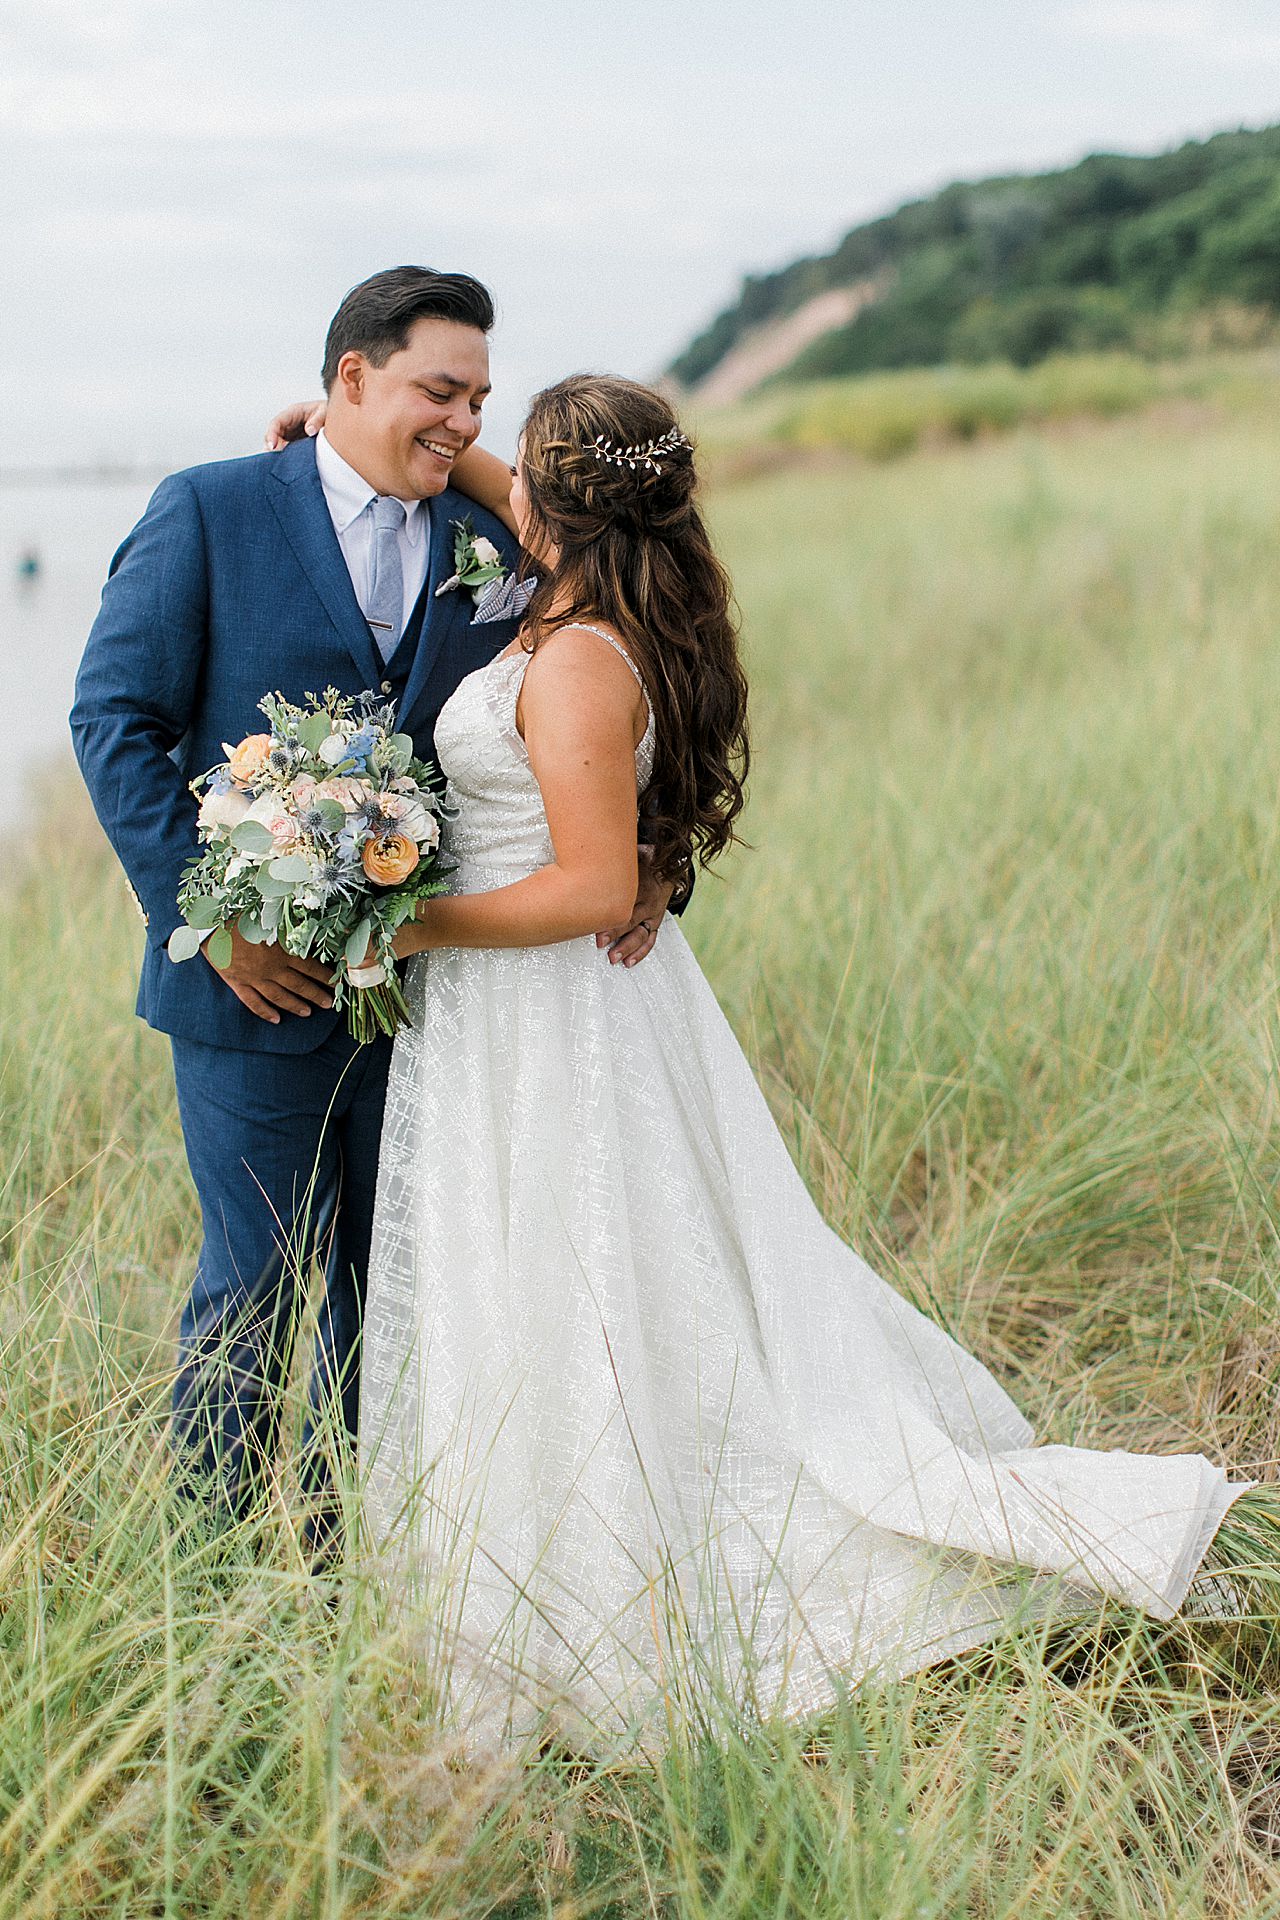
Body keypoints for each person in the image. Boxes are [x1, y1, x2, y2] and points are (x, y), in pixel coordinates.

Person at [306, 369, 1251, 1757]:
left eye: (515, 458)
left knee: (583, 1277)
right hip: (535, 1011)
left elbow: (584, 885)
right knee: (560, 1273)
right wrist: (337, 443)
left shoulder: (573, 657)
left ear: (563, 501)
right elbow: (504, 493)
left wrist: (397, 923)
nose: (491, 469)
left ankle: (605, 1584)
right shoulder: (580, 588)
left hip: (550, 1003)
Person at [69, 268, 674, 1556]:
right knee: (254, 1288)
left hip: (443, 998)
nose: (459, 420)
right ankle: (215, 1577)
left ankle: (367, 1565)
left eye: (477, 399)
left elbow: (624, 672)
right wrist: (217, 917)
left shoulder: (512, 542)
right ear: (353, 379)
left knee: (398, 1290)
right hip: (254, 987)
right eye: (434, 391)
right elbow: (113, 723)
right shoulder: (213, 510)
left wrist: (661, 852)